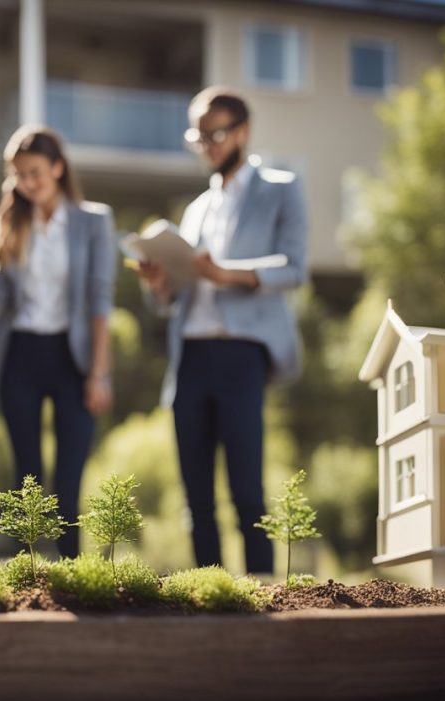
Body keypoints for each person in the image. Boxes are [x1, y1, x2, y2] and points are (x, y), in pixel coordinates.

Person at [136, 86, 307, 575]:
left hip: (241, 354)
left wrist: (224, 273)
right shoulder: (195, 209)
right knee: (196, 495)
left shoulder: (280, 187)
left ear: (243, 132)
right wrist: (160, 283)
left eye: (215, 133)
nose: (207, 143)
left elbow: (295, 268)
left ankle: (264, 593)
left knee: (247, 492)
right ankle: (207, 596)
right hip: (189, 355)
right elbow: (171, 300)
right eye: (198, 135)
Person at [0, 125, 116, 559]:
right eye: (19, 175)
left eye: (35, 172)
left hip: (71, 357)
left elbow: (100, 300)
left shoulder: (93, 221)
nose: (27, 183)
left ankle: (73, 570)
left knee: (69, 475)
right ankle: (29, 569)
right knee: (27, 475)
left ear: (58, 168)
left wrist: (99, 373)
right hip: (19, 354)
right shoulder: (11, 221)